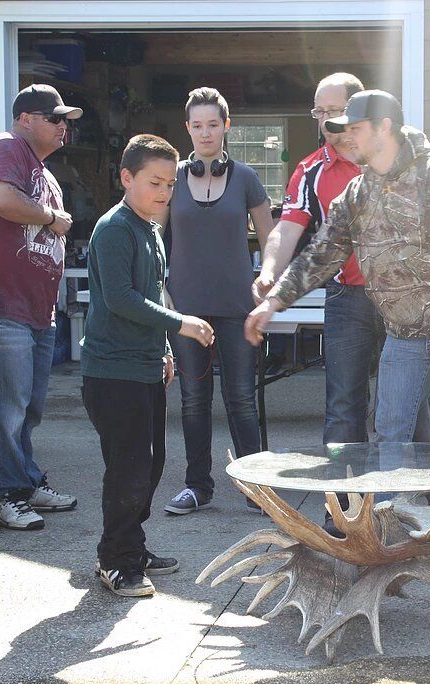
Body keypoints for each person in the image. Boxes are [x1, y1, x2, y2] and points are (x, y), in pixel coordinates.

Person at [245, 90, 430, 561]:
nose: (346, 136)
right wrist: (276, 301)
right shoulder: (359, 191)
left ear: (384, 127)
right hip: (403, 334)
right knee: (390, 430)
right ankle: (386, 531)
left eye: (355, 128)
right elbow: (324, 252)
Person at [254, 73, 430, 533]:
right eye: (317, 112)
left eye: (331, 112)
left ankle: (423, 499)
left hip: (405, 296)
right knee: (343, 404)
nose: (324, 121)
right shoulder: (311, 168)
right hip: (347, 298)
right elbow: (288, 228)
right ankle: (342, 509)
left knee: (414, 402)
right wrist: (270, 269)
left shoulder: (394, 156)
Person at [82, 134, 216, 597]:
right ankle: (114, 560)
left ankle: (132, 546)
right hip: (111, 371)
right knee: (128, 468)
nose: (164, 192)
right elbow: (121, 299)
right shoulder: (114, 228)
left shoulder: (150, 229)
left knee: (151, 464)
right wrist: (181, 324)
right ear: (126, 178)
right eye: (154, 182)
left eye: (170, 184)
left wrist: (164, 351)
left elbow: (154, 293)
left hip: (144, 368)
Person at [0, 84, 81, 531]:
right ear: (26, 118)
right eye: (55, 118)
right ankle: (5, 494)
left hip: (34, 310)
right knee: (6, 406)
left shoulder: (44, 175)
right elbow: (1, 200)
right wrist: (50, 217)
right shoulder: (5, 147)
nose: (64, 126)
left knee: (28, 407)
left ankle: (25, 481)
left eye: (65, 119)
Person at [160, 87, 275, 515]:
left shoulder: (245, 177)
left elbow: (271, 239)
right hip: (186, 309)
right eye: (196, 125)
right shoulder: (171, 178)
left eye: (213, 124)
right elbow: (153, 237)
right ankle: (197, 486)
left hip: (237, 308)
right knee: (193, 400)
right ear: (187, 129)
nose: (205, 133)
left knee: (242, 398)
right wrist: (162, 290)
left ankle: (256, 487)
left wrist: (267, 281)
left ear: (226, 127)